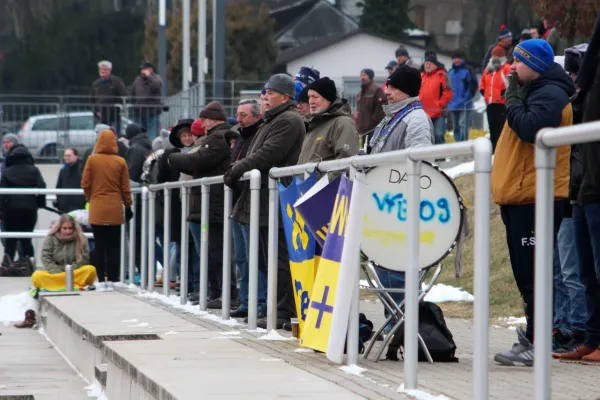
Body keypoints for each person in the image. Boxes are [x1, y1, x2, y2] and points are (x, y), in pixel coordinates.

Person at [491, 39, 575, 366]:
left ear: (535, 65)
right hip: (522, 195)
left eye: (518, 61)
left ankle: (539, 341)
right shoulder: (534, 90)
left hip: (536, 196)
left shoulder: (551, 93)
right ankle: (533, 337)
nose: (512, 68)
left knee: (534, 275)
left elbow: (530, 127)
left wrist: (511, 99)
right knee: (527, 275)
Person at [224, 73, 305, 329]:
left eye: (271, 93)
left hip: (277, 200)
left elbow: (268, 154)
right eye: (264, 92)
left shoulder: (289, 120)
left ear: (286, 96)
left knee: (278, 260)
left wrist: (238, 168)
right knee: (265, 261)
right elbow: (256, 153)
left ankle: (283, 312)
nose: (265, 97)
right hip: (262, 201)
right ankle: (274, 309)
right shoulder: (272, 121)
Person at [369, 65, 434, 338]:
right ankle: (395, 326)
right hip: (383, 204)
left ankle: (407, 331)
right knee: (385, 272)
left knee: (398, 272)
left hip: (401, 206)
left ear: (405, 90)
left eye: (393, 87)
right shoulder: (392, 117)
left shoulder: (416, 118)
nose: (387, 92)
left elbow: (422, 163)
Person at [555, 14, 600, 364]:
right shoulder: (581, 92)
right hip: (582, 191)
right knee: (586, 274)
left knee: (594, 269)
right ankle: (592, 337)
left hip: (596, 189)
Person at [169, 102, 235, 308]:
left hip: (213, 204)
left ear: (213, 120)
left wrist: (172, 157)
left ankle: (224, 293)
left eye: (204, 120)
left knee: (216, 252)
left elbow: (197, 161)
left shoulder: (217, 137)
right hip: (208, 204)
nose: (202, 124)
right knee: (210, 252)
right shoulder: (217, 136)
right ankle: (217, 292)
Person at [81, 130, 133, 291]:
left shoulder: (92, 159)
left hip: (97, 207)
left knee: (99, 245)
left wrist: (91, 197)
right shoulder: (120, 161)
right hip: (115, 208)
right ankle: (112, 278)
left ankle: (100, 278)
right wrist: (128, 205)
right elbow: (125, 187)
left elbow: (85, 183)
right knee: (114, 246)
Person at [229, 99, 265, 318]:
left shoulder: (256, 136)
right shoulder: (241, 137)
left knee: (254, 257)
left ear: (256, 116)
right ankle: (246, 300)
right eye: (237, 114)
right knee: (241, 257)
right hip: (239, 202)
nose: (238, 119)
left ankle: (259, 303)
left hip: (251, 202)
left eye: (243, 115)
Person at [156, 119, 196, 291]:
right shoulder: (170, 153)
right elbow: (161, 178)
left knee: (192, 243)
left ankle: (188, 280)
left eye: (190, 134)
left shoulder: (198, 151)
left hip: (194, 201)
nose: (187, 138)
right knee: (180, 242)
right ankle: (181, 278)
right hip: (176, 203)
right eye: (184, 135)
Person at [0, 144, 46, 268]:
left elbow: (2, 194)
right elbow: (42, 187)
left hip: (11, 211)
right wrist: (40, 203)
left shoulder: (7, 172)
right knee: (26, 239)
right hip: (29, 210)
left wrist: (2, 211)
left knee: (11, 240)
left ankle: (7, 265)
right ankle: (28, 263)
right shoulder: (34, 170)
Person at [298, 77, 358, 164]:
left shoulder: (343, 123)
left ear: (328, 99)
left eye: (315, 97)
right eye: (309, 97)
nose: (310, 101)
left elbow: (346, 160)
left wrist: (326, 178)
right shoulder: (313, 124)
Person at [31, 214, 96, 291]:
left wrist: (69, 272)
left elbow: (84, 258)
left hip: (74, 272)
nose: (68, 231)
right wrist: (58, 272)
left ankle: (58, 285)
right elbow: (46, 257)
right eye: (65, 228)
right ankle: (72, 284)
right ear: (59, 228)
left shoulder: (81, 238)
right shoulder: (51, 238)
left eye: (70, 228)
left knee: (90, 270)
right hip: (56, 274)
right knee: (37, 276)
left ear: (74, 228)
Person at [480, 45, 511, 151]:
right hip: (490, 102)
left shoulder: (507, 68)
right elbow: (483, 83)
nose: (494, 58)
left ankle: (502, 149)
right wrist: (483, 91)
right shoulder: (488, 69)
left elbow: (512, 83)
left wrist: (505, 93)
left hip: (502, 103)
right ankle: (494, 150)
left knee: (501, 128)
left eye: (496, 56)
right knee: (493, 128)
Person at [420, 53, 453, 144]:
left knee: (438, 135)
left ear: (435, 65)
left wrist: (440, 104)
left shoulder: (442, 75)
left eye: (430, 63)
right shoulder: (420, 76)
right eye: (426, 63)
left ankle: (440, 157)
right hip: (423, 114)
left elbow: (448, 92)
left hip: (439, 113)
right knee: (426, 137)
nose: (427, 65)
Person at [448, 49, 477, 142]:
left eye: (459, 58)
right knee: (456, 127)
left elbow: (473, 85)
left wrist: (466, 98)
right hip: (453, 104)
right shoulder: (450, 72)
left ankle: (464, 146)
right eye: (455, 58)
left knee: (463, 125)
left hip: (464, 104)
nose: (456, 60)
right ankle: (458, 146)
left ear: (463, 59)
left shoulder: (468, 70)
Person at [91, 60, 127, 133]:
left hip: (114, 115)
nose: (102, 71)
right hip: (100, 117)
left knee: (115, 136)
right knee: (101, 137)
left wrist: (116, 106)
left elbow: (124, 95)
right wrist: (96, 111)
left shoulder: (117, 82)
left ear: (109, 70)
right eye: (101, 69)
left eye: (104, 69)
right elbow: (92, 100)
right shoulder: (95, 84)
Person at [131, 62, 163, 140]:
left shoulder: (156, 78)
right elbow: (133, 93)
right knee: (139, 134)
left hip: (152, 112)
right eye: (142, 69)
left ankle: (152, 149)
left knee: (152, 135)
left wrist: (149, 77)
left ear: (151, 70)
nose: (143, 71)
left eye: (145, 69)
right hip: (139, 111)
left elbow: (157, 87)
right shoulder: (137, 79)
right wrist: (133, 105)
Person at [357, 68, 386, 150]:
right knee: (364, 151)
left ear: (370, 76)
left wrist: (372, 124)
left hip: (373, 129)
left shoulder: (377, 90)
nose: (362, 77)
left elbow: (381, 109)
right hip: (363, 130)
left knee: (373, 151)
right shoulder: (360, 93)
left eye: (364, 75)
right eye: (361, 75)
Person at [54, 148, 86, 213]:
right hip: (65, 207)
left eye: (69, 156)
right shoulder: (63, 171)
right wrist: (60, 201)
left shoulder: (83, 171)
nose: (66, 158)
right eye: (65, 156)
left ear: (76, 156)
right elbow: (58, 187)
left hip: (79, 207)